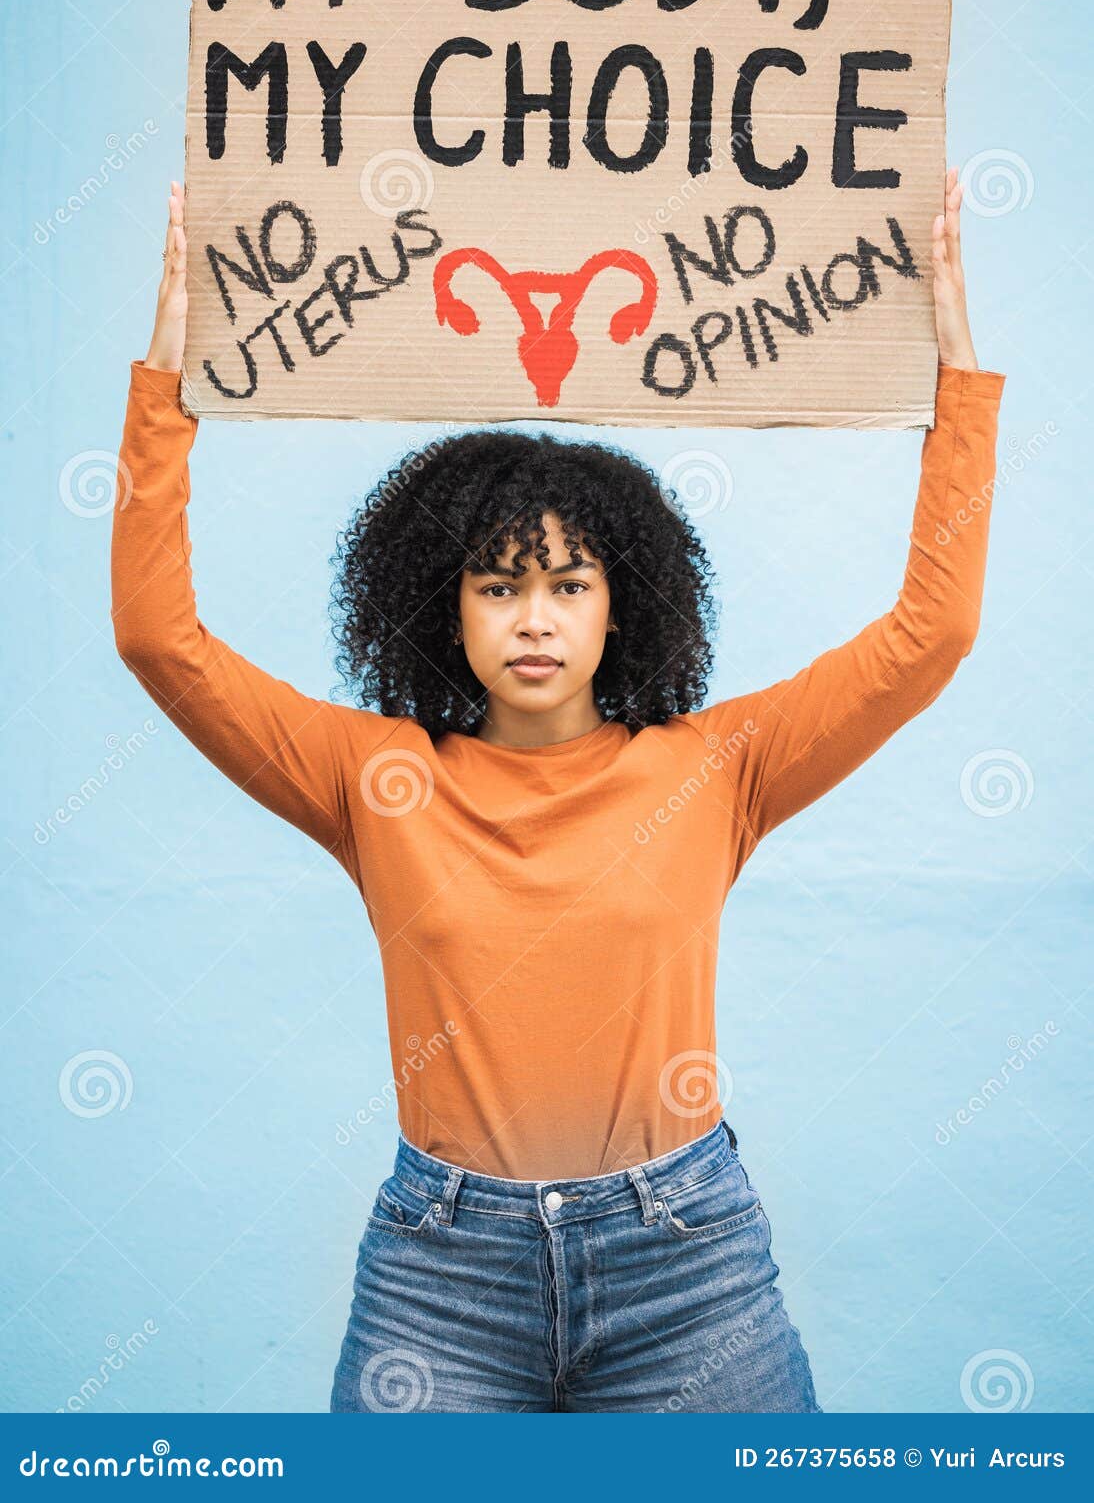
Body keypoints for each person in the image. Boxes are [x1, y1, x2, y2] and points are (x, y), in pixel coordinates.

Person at [111, 170, 1005, 1413]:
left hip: (682, 1262)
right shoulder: (377, 779)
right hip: (443, 1271)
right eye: (496, 584)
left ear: (619, 606)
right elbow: (161, 641)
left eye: (569, 584)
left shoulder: (712, 766)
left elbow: (929, 636)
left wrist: (955, 386)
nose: (533, 619)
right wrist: (164, 391)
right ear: (445, 606)